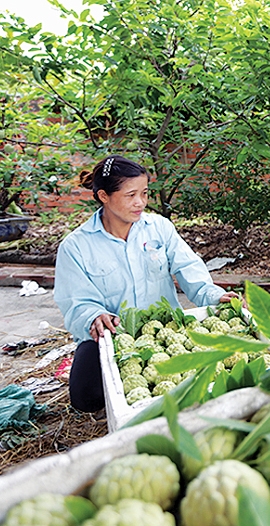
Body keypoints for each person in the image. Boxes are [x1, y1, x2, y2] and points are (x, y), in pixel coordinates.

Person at [54, 155, 238, 412]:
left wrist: (214, 296)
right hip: (114, 337)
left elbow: (188, 268)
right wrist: (94, 317)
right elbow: (76, 301)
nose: (140, 203)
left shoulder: (159, 228)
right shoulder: (77, 246)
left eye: (144, 193)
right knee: (86, 399)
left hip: (166, 329)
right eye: (131, 195)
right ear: (104, 196)